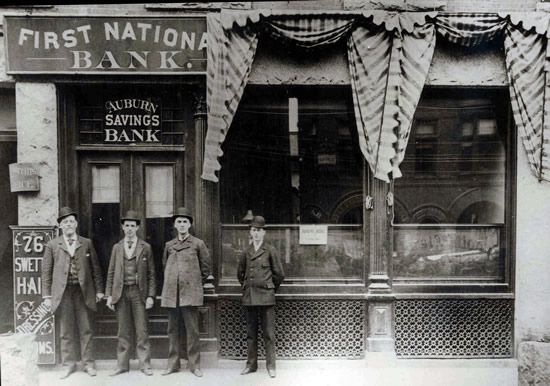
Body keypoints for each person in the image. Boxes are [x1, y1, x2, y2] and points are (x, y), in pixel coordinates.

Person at [42, 207, 104, 379]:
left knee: (86, 329)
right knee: (66, 331)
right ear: (60, 226)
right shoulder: (53, 245)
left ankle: (88, 364)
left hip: (83, 292)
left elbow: (96, 269)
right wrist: (47, 296)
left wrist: (99, 290)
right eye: (65, 222)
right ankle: (68, 364)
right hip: (63, 294)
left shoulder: (86, 243)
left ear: (76, 224)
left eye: (71, 221)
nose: (68, 224)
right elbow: (46, 272)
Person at [160, 207, 212, 377]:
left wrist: (194, 284)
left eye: (185, 222)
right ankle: (172, 364)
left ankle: (194, 365)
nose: (182, 225)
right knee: (172, 330)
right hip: (171, 295)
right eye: (179, 222)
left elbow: (206, 269)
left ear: (190, 224)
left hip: (190, 294)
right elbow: (164, 267)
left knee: (192, 331)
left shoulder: (198, 244)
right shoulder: (169, 245)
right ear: (175, 225)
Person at [105, 210, 156, 377]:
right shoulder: (116, 247)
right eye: (126, 225)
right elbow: (111, 272)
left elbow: (151, 274)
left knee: (142, 331)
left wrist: (150, 296)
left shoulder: (145, 247)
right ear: (122, 227)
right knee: (123, 331)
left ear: (138, 227)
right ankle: (122, 365)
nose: (129, 229)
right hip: (120, 293)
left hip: (138, 293)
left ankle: (145, 365)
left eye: (132, 226)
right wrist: (109, 295)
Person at [237, 215, 285, 378]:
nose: (256, 233)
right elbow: (240, 274)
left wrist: (269, 288)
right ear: (250, 232)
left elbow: (279, 274)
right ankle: (251, 365)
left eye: (259, 230)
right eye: (253, 230)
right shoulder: (246, 251)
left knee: (269, 334)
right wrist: (248, 287)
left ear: (264, 233)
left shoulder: (270, 250)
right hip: (250, 297)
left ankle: (271, 366)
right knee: (251, 334)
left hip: (266, 297)